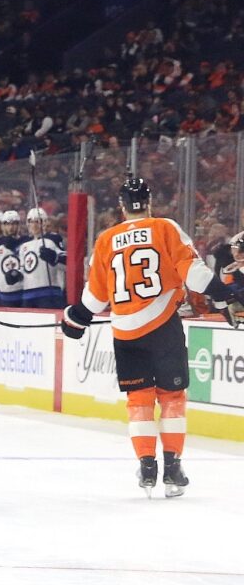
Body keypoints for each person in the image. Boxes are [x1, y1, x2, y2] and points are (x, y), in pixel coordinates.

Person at [62, 178, 244, 496]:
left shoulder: (107, 239)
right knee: (172, 398)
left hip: (125, 333)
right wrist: (224, 294)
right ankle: (172, 468)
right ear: (149, 202)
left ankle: (147, 467)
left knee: (139, 401)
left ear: (121, 206)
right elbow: (196, 274)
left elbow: (94, 298)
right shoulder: (164, 227)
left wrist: (75, 320)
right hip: (163, 326)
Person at [19, 207, 66, 309]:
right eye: (31, 222)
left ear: (44, 222)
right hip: (28, 295)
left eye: (37, 221)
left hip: (49, 293)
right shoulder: (24, 245)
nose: (34, 225)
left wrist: (54, 257)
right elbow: (23, 269)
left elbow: (67, 264)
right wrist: (16, 274)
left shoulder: (53, 239)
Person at [0, 209, 28, 307]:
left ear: (19, 225)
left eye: (14, 224)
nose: (11, 227)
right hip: (3, 293)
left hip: (22, 290)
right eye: (7, 224)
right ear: (3, 225)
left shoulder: (26, 241)